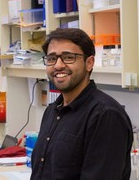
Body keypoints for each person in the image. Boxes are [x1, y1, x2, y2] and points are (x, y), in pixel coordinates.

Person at [31, 28, 133, 180]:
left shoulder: (105, 115)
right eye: (52, 58)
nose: (58, 65)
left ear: (89, 63)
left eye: (68, 57)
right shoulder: (52, 111)